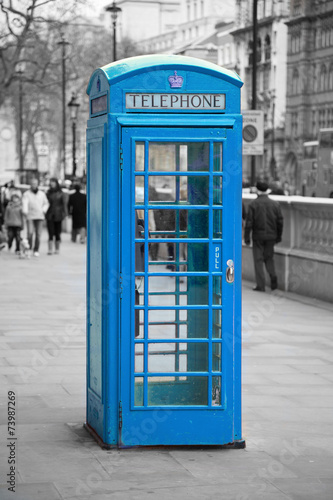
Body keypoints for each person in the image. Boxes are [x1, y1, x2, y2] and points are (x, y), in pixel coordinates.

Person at [244, 180, 283, 292]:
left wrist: (247, 238)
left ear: (257, 190)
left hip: (258, 236)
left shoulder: (253, 204)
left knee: (258, 260)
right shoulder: (275, 204)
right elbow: (280, 221)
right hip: (271, 236)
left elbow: (249, 223)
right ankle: (273, 279)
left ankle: (260, 285)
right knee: (269, 258)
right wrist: (278, 236)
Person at [22, 179, 49, 257]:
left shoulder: (42, 194)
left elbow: (46, 203)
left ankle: (36, 249)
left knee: (38, 234)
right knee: (30, 233)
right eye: (32, 183)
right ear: (30, 184)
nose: (34, 185)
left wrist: (43, 210)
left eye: (35, 183)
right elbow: (25, 203)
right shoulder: (26, 194)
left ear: (37, 184)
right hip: (30, 216)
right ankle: (29, 248)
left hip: (39, 216)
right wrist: (25, 211)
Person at [46, 178, 67, 255]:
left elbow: (64, 204)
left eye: (53, 183)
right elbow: (45, 203)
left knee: (58, 232)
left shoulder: (61, 193)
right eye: (51, 183)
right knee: (50, 232)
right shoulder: (48, 193)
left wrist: (65, 214)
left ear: (56, 183)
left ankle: (57, 249)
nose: (52, 184)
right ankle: (50, 249)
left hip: (58, 214)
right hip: (50, 214)